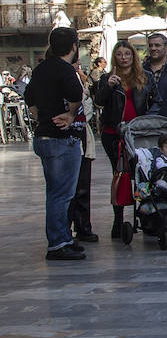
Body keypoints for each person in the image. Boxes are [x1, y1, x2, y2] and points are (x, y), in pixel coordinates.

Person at [26, 26, 87, 261]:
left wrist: (38, 113)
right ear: (74, 46)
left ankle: (63, 237)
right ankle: (58, 243)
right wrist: (71, 115)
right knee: (61, 194)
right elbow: (75, 94)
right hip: (61, 139)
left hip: (43, 136)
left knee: (55, 192)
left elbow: (29, 95)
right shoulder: (64, 69)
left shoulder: (40, 68)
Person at [93, 40, 150, 238]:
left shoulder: (145, 77)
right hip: (113, 133)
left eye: (128, 54)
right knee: (119, 174)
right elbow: (98, 101)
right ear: (114, 57)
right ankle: (118, 220)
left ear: (133, 56)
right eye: (120, 54)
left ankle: (146, 215)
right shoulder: (107, 78)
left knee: (143, 173)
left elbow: (155, 101)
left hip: (138, 133)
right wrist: (108, 87)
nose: (124, 57)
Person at [67, 59, 99, 244]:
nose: (79, 67)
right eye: (76, 63)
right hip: (71, 137)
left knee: (82, 186)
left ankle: (83, 227)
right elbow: (84, 107)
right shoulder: (65, 80)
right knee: (70, 188)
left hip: (83, 137)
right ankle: (70, 228)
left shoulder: (77, 79)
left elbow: (87, 107)